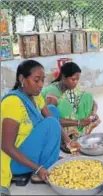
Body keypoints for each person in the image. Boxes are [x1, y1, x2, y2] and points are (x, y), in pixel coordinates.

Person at [0, 60, 80, 195]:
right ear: (22, 79)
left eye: (43, 80)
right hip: (14, 161)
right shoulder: (12, 102)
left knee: (52, 110)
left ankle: (48, 159)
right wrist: (37, 168)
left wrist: (68, 141)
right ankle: (43, 169)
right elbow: (7, 147)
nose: (41, 85)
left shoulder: (35, 97)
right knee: (51, 123)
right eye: (36, 80)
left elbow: (51, 116)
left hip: (29, 150)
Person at [42, 62, 100, 153]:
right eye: (73, 79)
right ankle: (65, 141)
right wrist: (79, 122)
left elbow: (91, 103)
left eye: (77, 80)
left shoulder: (72, 87)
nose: (76, 83)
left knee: (87, 96)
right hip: (55, 126)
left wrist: (92, 114)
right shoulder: (52, 93)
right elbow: (51, 119)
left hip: (73, 122)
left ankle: (79, 136)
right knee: (65, 105)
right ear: (63, 77)